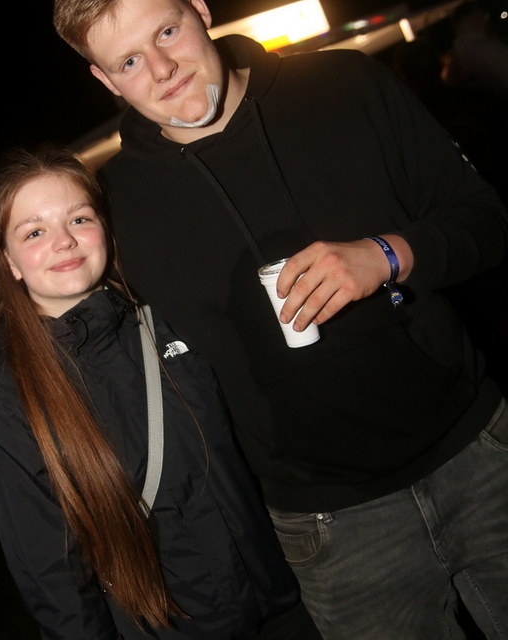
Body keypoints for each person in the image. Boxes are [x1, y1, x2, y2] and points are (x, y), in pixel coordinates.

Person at [52, 1, 508, 638]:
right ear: (104, 79)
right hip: (332, 530)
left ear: (200, 10)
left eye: (167, 32)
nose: (161, 69)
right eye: (128, 61)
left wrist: (386, 256)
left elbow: (486, 221)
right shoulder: (120, 206)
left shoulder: (344, 85)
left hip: (481, 455)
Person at [0, 146, 321, 640]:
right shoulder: (4, 405)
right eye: (34, 232)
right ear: (10, 262)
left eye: (79, 218)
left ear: (105, 229)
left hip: (282, 609)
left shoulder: (171, 319)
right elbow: (56, 585)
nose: (64, 241)